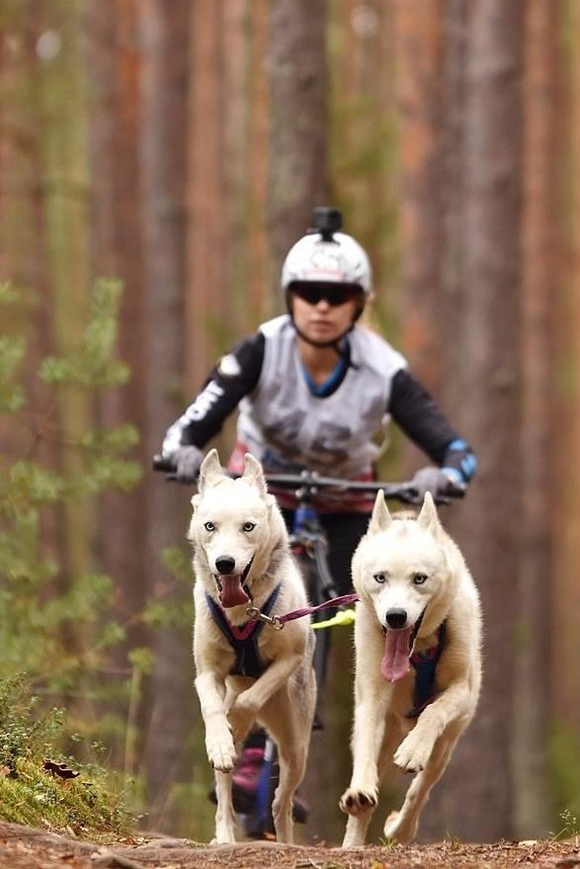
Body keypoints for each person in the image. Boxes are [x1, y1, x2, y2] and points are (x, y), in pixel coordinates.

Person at [159, 206, 477, 821]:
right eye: (308, 293)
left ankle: (293, 750)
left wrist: (445, 472)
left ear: (359, 302)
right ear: (290, 297)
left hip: (346, 505)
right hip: (261, 509)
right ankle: (249, 755)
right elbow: (193, 421)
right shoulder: (257, 350)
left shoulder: (383, 367)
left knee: (344, 603)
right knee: (233, 609)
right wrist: (182, 451)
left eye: (337, 295)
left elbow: (453, 448)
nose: (321, 306)